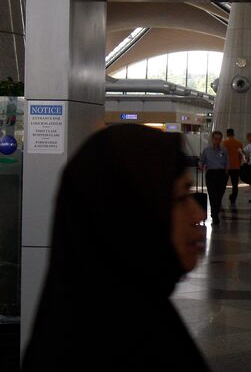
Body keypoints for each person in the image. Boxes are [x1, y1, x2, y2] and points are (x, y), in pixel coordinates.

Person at [22, 124, 210, 371]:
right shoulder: (107, 348)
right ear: (130, 214)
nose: (197, 214)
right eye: (180, 198)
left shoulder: (137, 314)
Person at [200, 130, 228, 225]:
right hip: (211, 174)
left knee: (219, 195)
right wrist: (200, 165)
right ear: (212, 139)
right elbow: (201, 162)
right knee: (212, 195)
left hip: (221, 175)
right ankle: (214, 215)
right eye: (216, 139)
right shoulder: (206, 150)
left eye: (219, 139)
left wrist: (226, 173)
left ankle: (216, 212)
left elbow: (227, 163)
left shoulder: (224, 150)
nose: (217, 141)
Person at [222, 128, 244, 205]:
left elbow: (222, 155)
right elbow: (241, 155)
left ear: (227, 134)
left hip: (226, 167)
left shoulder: (224, 143)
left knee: (223, 183)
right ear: (233, 134)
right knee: (235, 184)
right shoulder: (239, 143)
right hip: (236, 166)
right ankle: (233, 199)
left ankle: (220, 197)